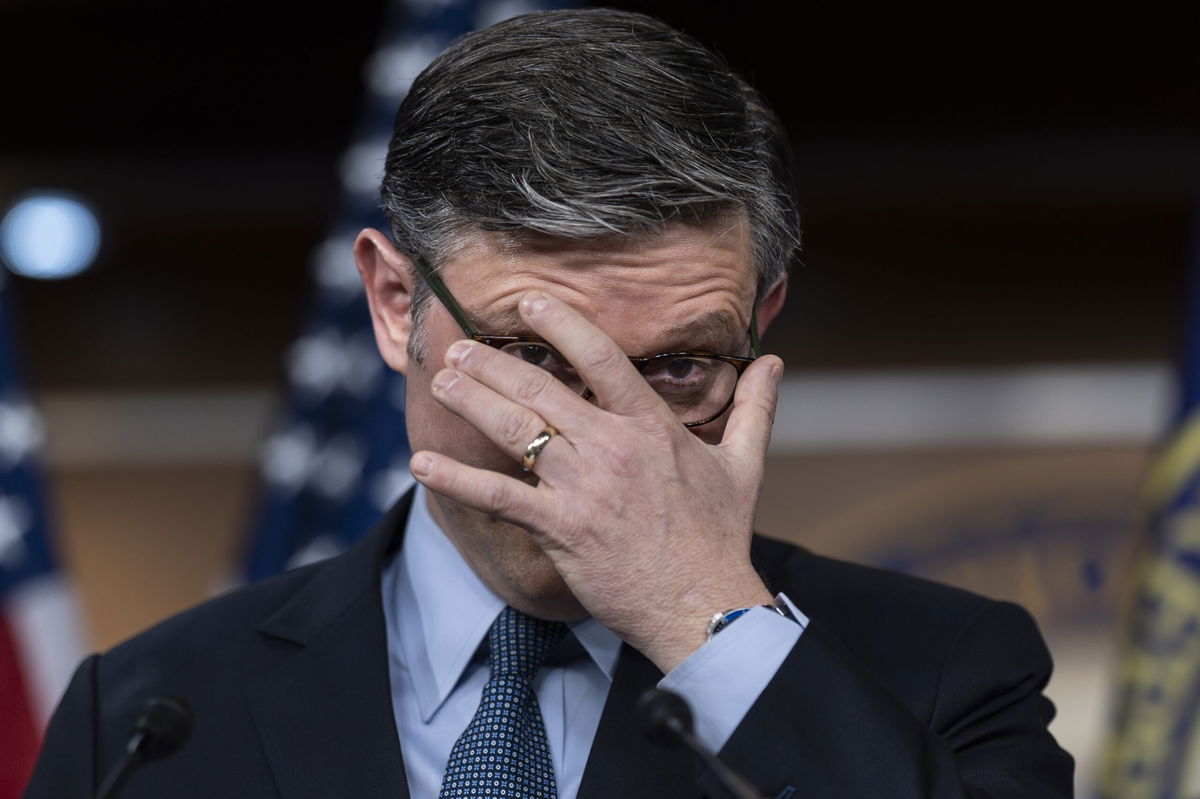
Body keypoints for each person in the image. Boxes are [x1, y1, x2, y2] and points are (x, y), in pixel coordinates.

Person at [24, 8, 1073, 798]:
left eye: (675, 370)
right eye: (526, 355)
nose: (595, 442)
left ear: (762, 319)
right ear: (396, 304)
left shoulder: (943, 671)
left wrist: (702, 618)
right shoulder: (146, 719)